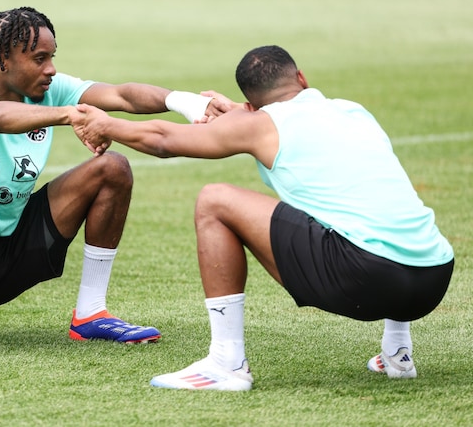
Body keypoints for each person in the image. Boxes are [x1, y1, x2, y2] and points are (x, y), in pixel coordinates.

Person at [75, 45, 454, 391]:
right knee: (375, 211)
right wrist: (241, 112)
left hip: (365, 280)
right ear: (301, 78)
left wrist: (108, 125)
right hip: (433, 279)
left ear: (251, 103)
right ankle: (398, 354)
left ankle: (227, 363)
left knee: (214, 199)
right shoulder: (352, 111)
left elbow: (162, 140)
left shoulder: (258, 123)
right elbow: (272, 116)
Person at [0, 6, 221, 356]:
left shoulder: (49, 90)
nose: (50, 69)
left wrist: (185, 101)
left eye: (52, 57)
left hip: (7, 252)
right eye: (39, 59)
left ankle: (90, 314)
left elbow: (120, 96)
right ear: (0, 61)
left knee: (112, 167)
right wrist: (68, 114)